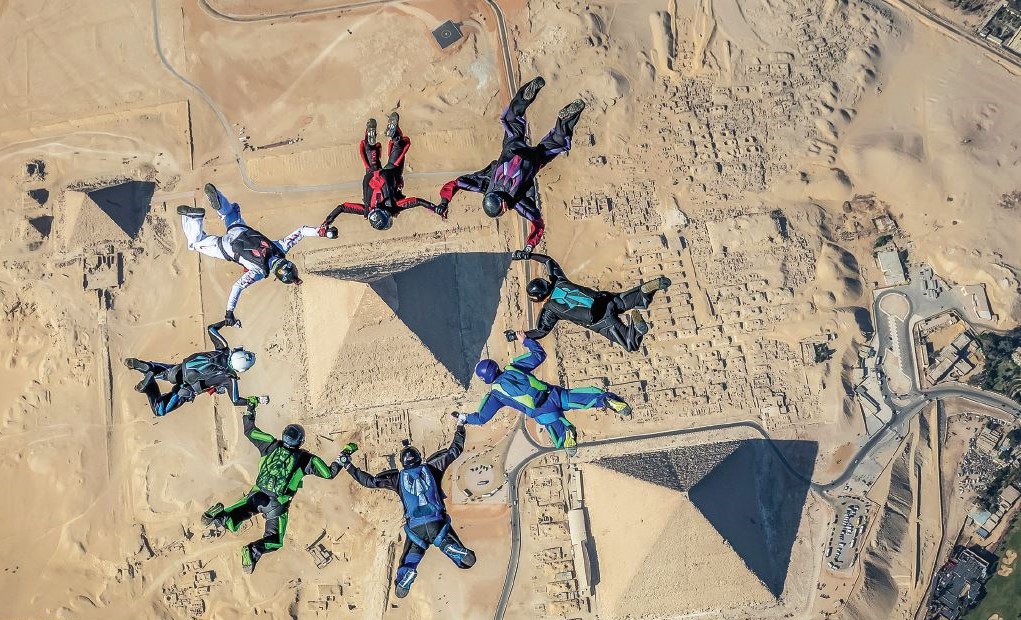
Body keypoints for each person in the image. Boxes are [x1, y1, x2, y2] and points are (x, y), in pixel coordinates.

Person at [201, 401, 355, 574]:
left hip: (256, 494)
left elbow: (249, 430)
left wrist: (251, 408)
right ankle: (252, 551)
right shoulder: (306, 459)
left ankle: (221, 516)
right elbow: (328, 473)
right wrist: (345, 453)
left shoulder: (270, 444)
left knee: (239, 513)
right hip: (277, 505)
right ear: (301, 441)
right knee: (275, 539)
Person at [436, 76, 585, 254]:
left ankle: (565, 120)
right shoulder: (485, 184)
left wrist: (530, 246)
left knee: (558, 142)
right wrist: (444, 201)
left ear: (502, 206)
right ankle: (526, 98)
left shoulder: (518, 202)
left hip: (533, 160)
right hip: (513, 147)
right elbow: (456, 184)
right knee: (511, 117)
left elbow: (538, 223)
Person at [338, 420, 475, 598]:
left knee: (408, 563)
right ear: (420, 457)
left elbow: (369, 482)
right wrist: (460, 425)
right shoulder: (433, 467)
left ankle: (408, 572)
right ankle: (449, 547)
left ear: (402, 463)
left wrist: (348, 465)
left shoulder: (397, 478)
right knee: (467, 562)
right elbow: (454, 451)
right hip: (437, 524)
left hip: (416, 530)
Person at [178, 183, 332, 326]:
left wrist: (321, 232)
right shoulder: (258, 272)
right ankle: (194, 218)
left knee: (231, 211)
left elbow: (301, 231)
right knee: (195, 244)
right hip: (225, 247)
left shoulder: (280, 247)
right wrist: (229, 312)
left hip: (240, 230)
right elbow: (237, 287)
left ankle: (218, 198)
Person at [469, 335, 631, 455]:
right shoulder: (514, 367)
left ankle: (566, 432)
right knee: (588, 398)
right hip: (554, 394)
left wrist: (463, 418)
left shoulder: (495, 395)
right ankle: (606, 400)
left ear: (485, 379)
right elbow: (540, 355)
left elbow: (480, 418)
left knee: (559, 440)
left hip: (543, 412)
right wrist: (525, 340)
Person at [512, 250, 672, 352]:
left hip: (601, 320)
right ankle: (643, 292)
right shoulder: (559, 280)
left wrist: (519, 336)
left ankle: (637, 329)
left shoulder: (550, 310)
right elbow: (548, 260)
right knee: (624, 301)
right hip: (603, 299)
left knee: (631, 344)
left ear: (538, 298)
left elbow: (541, 331)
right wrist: (527, 255)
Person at [321, 112, 446, 233]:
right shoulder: (366, 210)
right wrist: (326, 222)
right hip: (371, 176)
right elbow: (342, 207)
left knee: (398, 149)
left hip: (390, 175)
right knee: (371, 156)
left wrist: (435, 208)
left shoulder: (394, 207)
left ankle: (395, 136)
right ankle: (370, 144)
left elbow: (417, 201)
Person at [123, 320, 261, 417]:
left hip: (181, 369)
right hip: (186, 388)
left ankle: (148, 367)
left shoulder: (223, 349)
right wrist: (254, 401)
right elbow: (236, 401)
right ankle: (149, 387)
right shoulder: (229, 379)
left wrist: (227, 322)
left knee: (163, 372)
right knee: (160, 410)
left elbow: (211, 328)